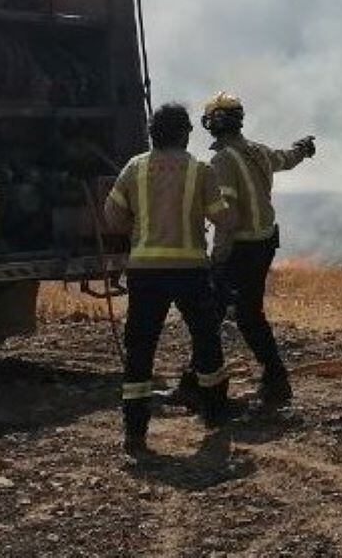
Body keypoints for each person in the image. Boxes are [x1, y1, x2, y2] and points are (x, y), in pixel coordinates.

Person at [103, 102, 233, 456]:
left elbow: (112, 217)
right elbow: (223, 220)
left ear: (153, 133)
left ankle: (135, 432)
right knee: (206, 340)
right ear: (184, 133)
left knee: (141, 349)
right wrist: (219, 257)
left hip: (145, 271)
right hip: (191, 270)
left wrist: (141, 231)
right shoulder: (200, 170)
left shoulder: (135, 167)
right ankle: (216, 415)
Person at [200, 91, 316, 407]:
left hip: (240, 250)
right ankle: (274, 380)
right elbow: (286, 158)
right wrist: (303, 149)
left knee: (212, 317)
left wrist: (217, 260)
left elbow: (227, 217)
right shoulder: (258, 152)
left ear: (213, 123)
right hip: (264, 244)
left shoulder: (222, 160)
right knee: (249, 314)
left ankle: (205, 387)